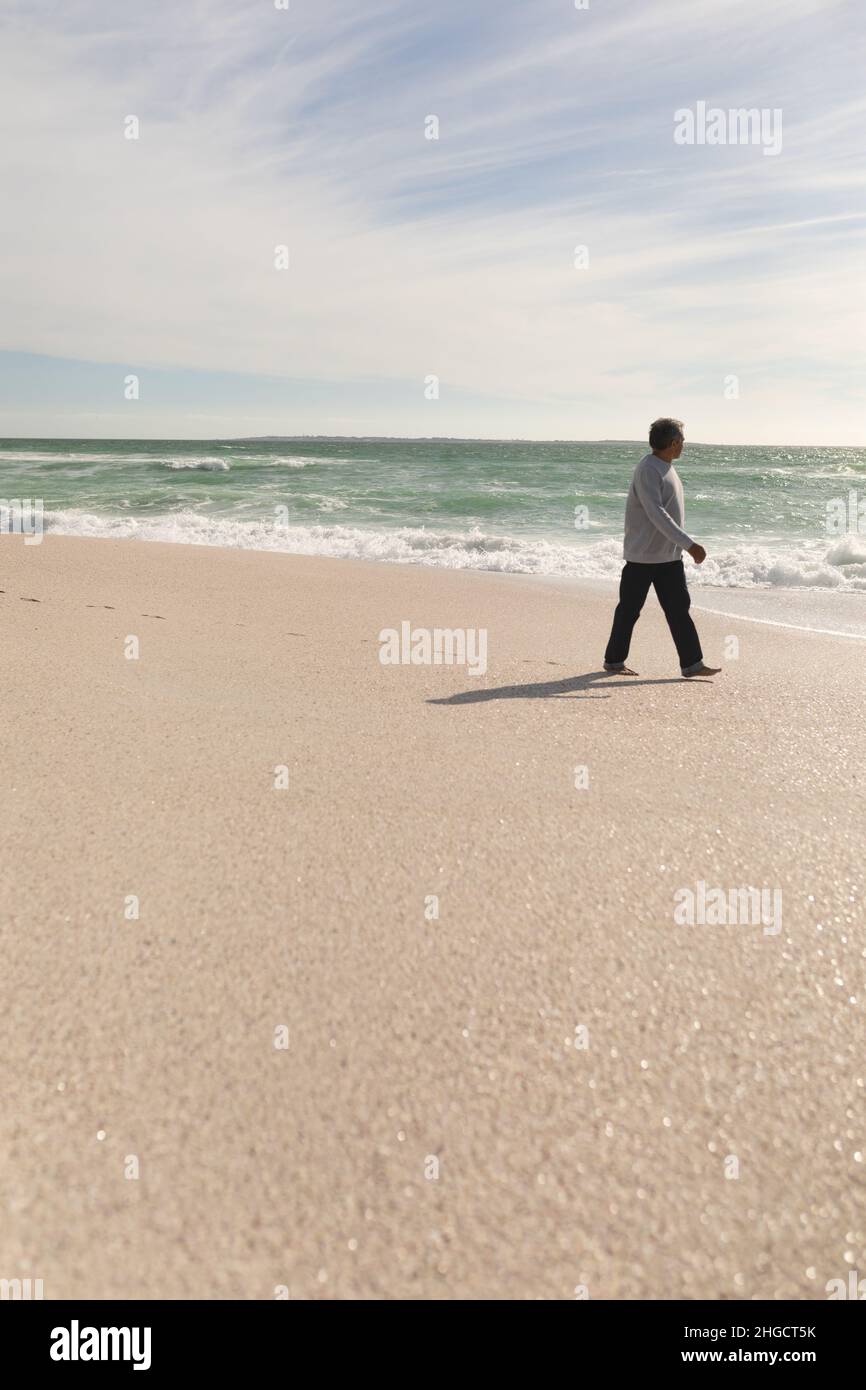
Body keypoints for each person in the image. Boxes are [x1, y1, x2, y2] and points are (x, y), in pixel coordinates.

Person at [603, 418, 721, 679]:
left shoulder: (666, 467)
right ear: (673, 443)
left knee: (679, 609)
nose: (683, 446)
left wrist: (680, 548)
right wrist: (689, 545)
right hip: (643, 557)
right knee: (629, 611)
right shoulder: (648, 469)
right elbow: (657, 514)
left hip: (669, 558)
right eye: (682, 441)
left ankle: (692, 664)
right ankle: (614, 661)